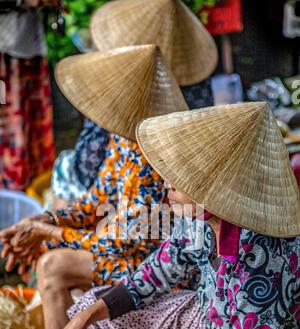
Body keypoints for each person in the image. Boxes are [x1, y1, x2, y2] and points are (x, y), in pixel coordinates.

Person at [45, 102, 300, 329]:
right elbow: (152, 275)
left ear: (213, 188)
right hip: (215, 324)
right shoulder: (197, 218)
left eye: (177, 178)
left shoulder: (261, 256)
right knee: (93, 311)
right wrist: (79, 324)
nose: (165, 182)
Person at [0, 45, 188, 329]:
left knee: (53, 267)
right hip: (134, 251)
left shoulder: (148, 158)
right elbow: (96, 201)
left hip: (163, 267)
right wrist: (45, 219)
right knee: (48, 254)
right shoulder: (124, 138)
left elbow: (120, 245)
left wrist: (48, 232)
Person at [51, 0, 217, 206]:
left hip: (149, 195)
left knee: (68, 171)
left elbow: (89, 165)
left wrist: (54, 229)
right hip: (171, 182)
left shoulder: (131, 135)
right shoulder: (198, 84)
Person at [0, 0, 55, 189]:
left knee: (30, 126)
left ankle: (28, 189)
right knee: (8, 127)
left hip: (28, 48)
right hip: (5, 53)